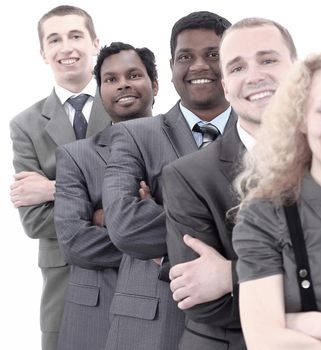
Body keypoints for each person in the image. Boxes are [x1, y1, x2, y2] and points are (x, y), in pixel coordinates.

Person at [162, 18, 297, 350]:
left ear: (297, 70)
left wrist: (231, 276)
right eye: (236, 68)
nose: (253, 76)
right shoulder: (187, 177)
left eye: (267, 60)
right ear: (225, 85)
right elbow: (203, 301)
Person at [102, 11, 233, 350]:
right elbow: (125, 226)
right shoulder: (134, 135)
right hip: (151, 326)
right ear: (172, 67)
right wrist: (233, 241)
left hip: (243, 321)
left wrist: (164, 216)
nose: (199, 66)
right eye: (185, 57)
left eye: (213, 55)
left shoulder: (263, 134)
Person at [8, 5, 110, 350]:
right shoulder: (26, 125)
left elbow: (142, 199)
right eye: (55, 40)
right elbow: (34, 221)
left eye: (76, 36)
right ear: (43, 53)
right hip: (63, 280)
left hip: (129, 270)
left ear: (96, 42)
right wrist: (106, 211)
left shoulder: (126, 103)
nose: (66, 47)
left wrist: (54, 188)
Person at [54, 41, 158, 350]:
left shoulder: (184, 147)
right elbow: (74, 242)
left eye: (133, 75)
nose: (122, 84)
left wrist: (108, 220)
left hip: (167, 308)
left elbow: (194, 227)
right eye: (110, 79)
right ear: (101, 93)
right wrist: (148, 240)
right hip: (95, 317)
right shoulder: (75, 156)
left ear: (154, 83)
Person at [232, 52, 321, 349]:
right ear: (302, 121)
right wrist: (272, 328)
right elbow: (265, 340)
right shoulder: (264, 214)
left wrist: (294, 322)